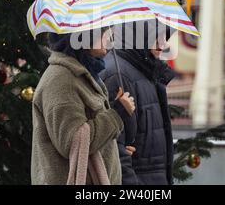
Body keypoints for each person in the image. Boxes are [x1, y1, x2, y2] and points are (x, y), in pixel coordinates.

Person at [31, 28, 135, 185]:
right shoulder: (62, 79)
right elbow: (72, 141)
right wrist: (117, 114)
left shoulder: (84, 74)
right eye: (104, 32)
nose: (109, 38)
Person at [100, 21, 176, 185]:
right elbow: (114, 148)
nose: (163, 43)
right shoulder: (117, 74)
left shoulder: (145, 70)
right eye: (158, 36)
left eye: (166, 36)